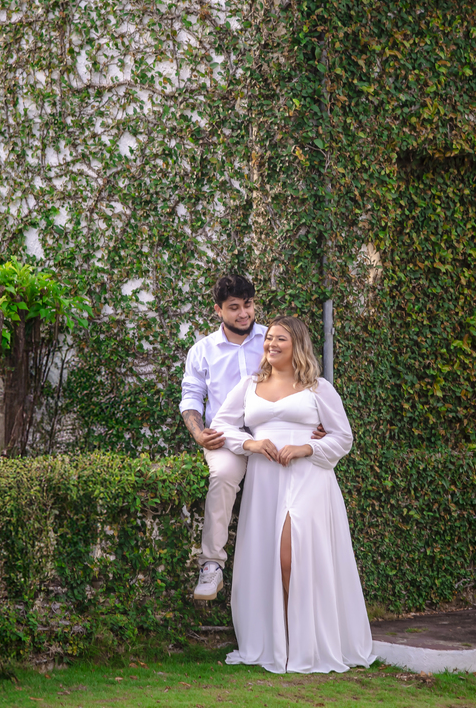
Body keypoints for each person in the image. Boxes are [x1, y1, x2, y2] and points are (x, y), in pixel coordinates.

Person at [210, 316, 375, 674]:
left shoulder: (319, 388)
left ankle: (304, 641)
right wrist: (250, 441)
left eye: (280, 339)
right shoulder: (250, 385)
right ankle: (277, 642)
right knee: (270, 558)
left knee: (294, 555)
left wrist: (305, 449)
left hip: (308, 478)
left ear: (297, 344)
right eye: (268, 338)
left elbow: (342, 437)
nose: (271, 344)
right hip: (266, 479)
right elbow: (222, 425)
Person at [180, 276, 323, 600]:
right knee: (225, 474)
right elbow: (191, 396)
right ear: (218, 310)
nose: (244, 313)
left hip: (272, 432)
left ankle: (298, 579)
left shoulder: (271, 339)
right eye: (234, 308)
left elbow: (304, 379)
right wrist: (199, 433)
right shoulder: (202, 351)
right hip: (227, 436)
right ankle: (211, 566)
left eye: (248, 305)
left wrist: (316, 425)